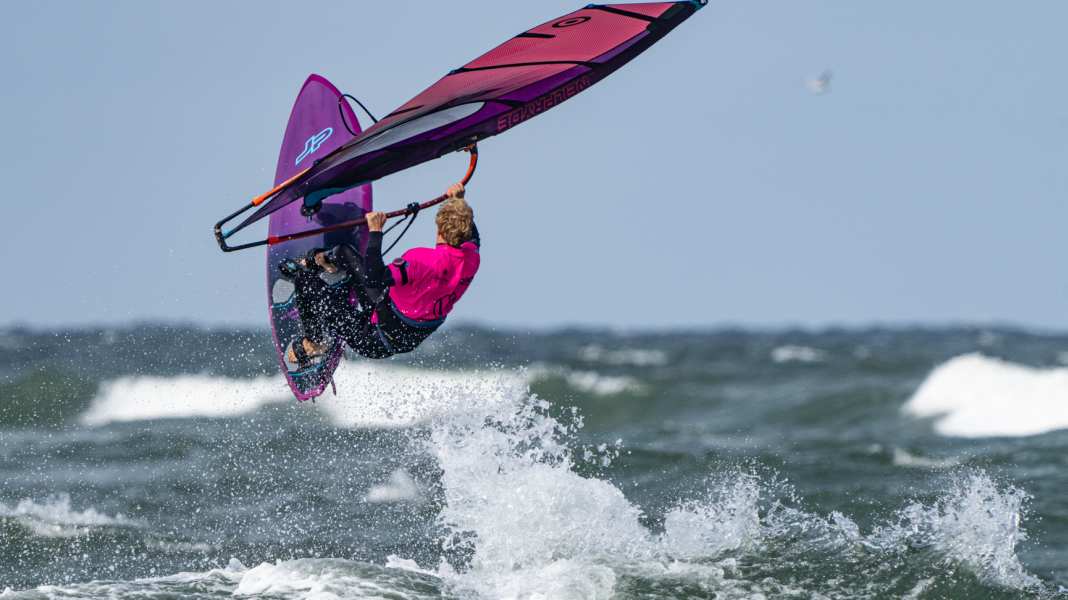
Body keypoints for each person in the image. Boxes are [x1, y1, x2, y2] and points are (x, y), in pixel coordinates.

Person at [282, 182, 479, 368]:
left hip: (373, 338)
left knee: (304, 279)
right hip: (391, 318)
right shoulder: (471, 259)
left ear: (439, 227)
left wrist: (376, 232)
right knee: (344, 252)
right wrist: (458, 202)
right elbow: (474, 239)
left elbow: (373, 278)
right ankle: (323, 261)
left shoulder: (421, 260)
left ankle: (313, 343)